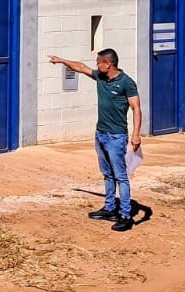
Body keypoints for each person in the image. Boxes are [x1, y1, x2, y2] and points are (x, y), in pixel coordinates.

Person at [48, 48, 142, 232]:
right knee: (106, 173)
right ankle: (109, 208)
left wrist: (136, 134)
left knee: (121, 176)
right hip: (101, 134)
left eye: (99, 62)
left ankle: (125, 215)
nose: (96, 65)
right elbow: (81, 67)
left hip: (116, 136)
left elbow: (136, 108)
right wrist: (61, 60)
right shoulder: (100, 77)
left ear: (109, 64)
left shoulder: (126, 83)